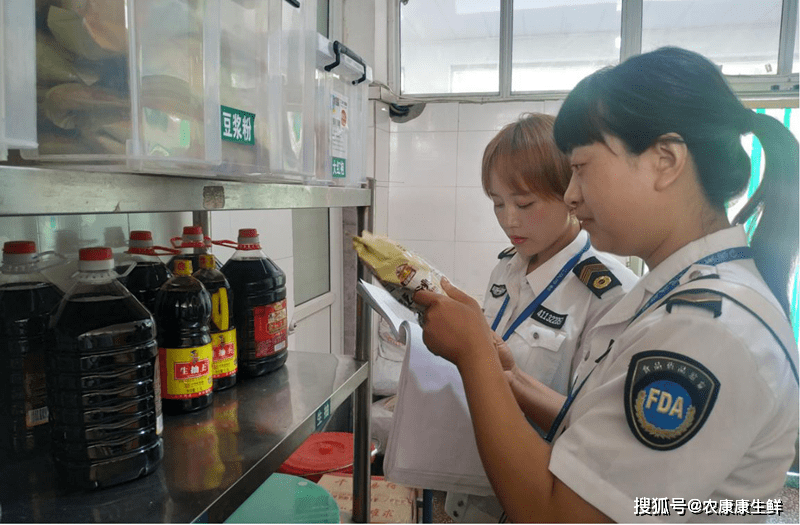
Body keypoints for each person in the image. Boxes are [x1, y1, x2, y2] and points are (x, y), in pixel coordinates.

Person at [414, 46, 799, 523]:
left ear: (665, 161)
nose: (571, 195)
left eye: (581, 168)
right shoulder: (672, 292)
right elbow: (598, 434)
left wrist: (473, 355)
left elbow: (558, 515)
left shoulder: (709, 331)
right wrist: (506, 377)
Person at [444, 113, 638, 522]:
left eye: (524, 203)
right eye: (497, 203)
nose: (508, 220)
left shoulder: (610, 293)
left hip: (544, 498)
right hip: (477, 488)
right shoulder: (507, 268)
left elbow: (595, 432)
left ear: (568, 192)